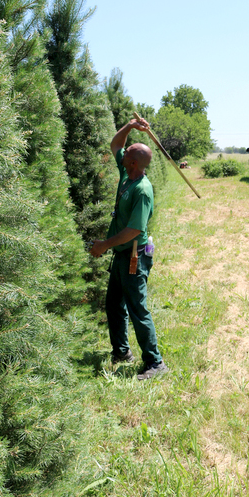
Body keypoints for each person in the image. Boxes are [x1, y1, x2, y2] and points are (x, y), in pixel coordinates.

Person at [90, 116, 168, 380]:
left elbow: (134, 230)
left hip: (134, 256)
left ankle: (155, 363)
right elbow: (115, 144)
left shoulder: (142, 190)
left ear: (134, 163)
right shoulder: (127, 173)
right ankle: (122, 351)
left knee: (137, 308)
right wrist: (130, 127)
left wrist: (103, 245)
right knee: (114, 304)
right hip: (121, 254)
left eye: (126, 156)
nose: (121, 156)